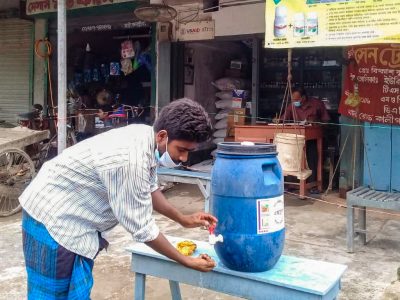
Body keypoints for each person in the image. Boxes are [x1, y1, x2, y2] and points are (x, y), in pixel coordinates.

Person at [20, 98, 217, 299]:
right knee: (54, 293)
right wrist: (186, 261)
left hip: (71, 216)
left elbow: (149, 188)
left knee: (74, 291)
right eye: (181, 150)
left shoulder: (146, 137)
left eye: (188, 152)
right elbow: (142, 229)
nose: (184, 158)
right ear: (163, 136)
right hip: (53, 219)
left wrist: (183, 219)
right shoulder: (131, 161)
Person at [281, 87, 330, 186]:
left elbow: (327, 122)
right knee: (290, 155)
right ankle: (292, 184)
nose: (294, 102)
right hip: (296, 139)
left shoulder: (317, 104)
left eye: (296, 100)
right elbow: (283, 119)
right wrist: (277, 120)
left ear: (303, 98)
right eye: (293, 100)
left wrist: (316, 121)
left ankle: (312, 184)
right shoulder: (292, 106)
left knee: (312, 157)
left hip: (313, 139)